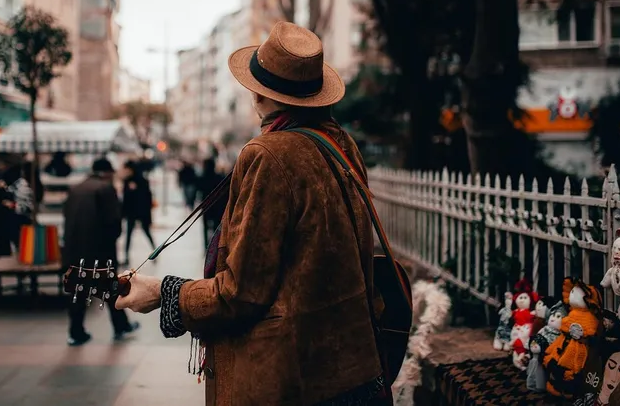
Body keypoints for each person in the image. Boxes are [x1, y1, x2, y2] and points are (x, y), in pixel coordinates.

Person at [115, 22, 389, 404]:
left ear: (258, 96)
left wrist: (165, 293)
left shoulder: (268, 155)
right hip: (357, 370)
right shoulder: (340, 144)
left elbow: (241, 293)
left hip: (296, 381)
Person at [62, 158, 139, 346]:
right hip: (99, 250)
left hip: (73, 249)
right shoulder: (105, 189)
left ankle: (76, 331)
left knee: (78, 290)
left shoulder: (75, 188)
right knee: (110, 288)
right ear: (106, 173)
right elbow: (114, 223)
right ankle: (121, 326)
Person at [122, 160, 156, 264]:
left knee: (146, 232)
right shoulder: (128, 180)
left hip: (141, 211)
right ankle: (126, 256)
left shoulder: (141, 180)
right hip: (132, 212)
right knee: (129, 234)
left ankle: (155, 252)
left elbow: (147, 197)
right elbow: (125, 198)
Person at [196, 158, 227, 249]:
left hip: (206, 206)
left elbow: (199, 189)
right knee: (215, 227)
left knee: (205, 227)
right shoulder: (220, 177)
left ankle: (206, 246)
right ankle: (214, 245)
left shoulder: (202, 177)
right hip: (217, 206)